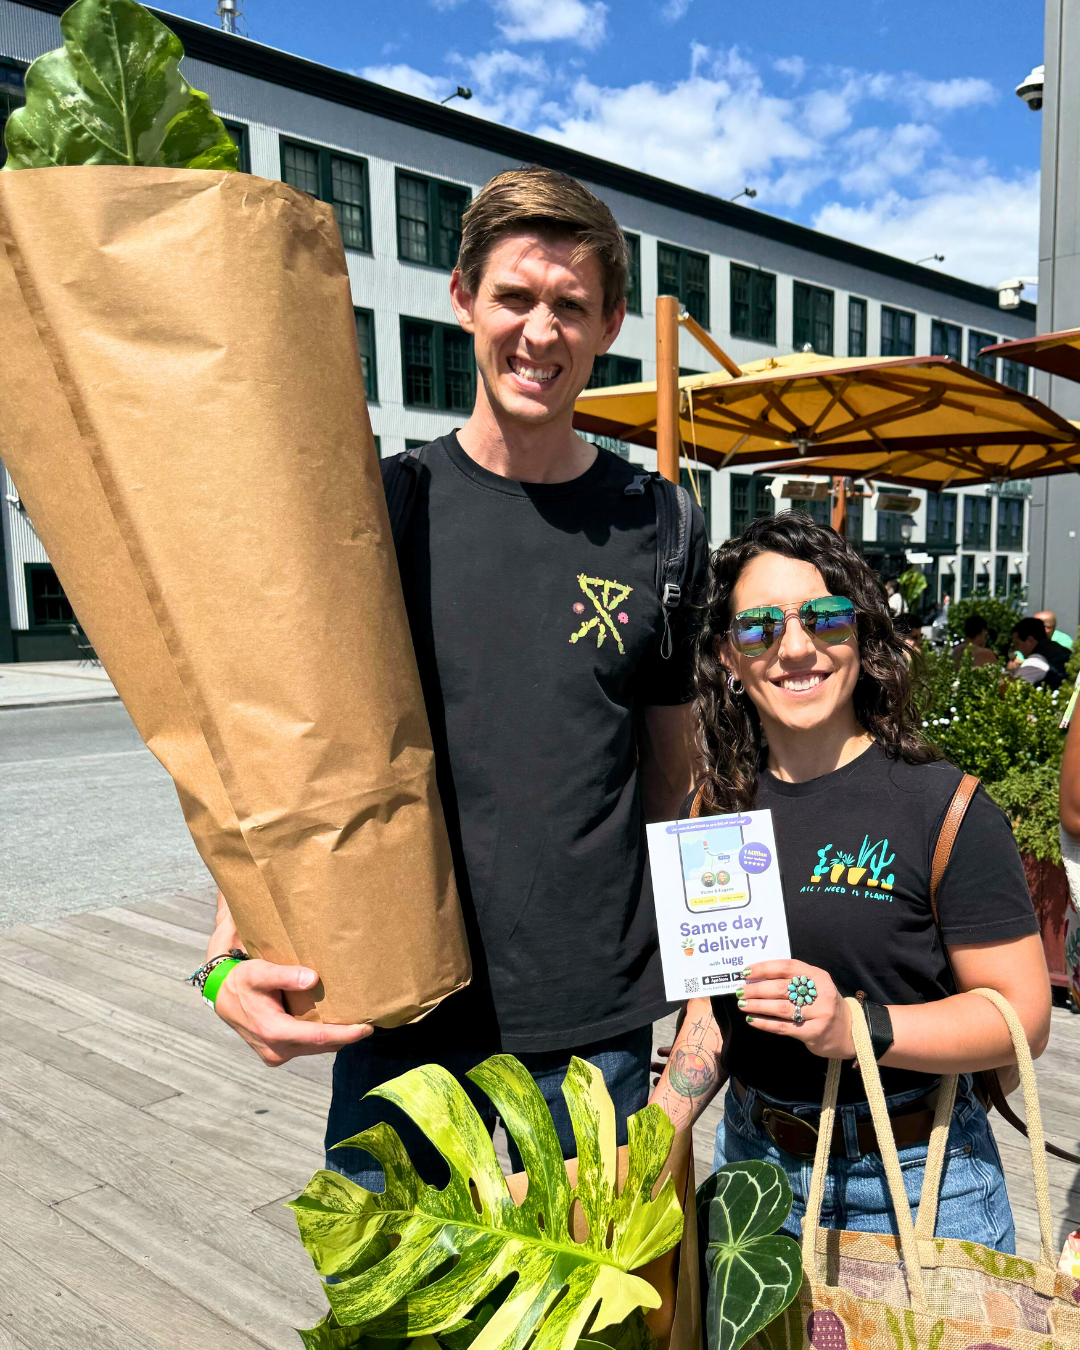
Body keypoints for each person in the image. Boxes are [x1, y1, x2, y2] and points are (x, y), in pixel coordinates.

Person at [201, 166, 708, 1187]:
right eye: (516, 296)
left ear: (609, 323)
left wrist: (705, 1008)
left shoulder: (661, 524)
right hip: (399, 1016)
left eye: (571, 305)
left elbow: (677, 780)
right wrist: (222, 955)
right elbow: (287, 754)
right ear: (464, 298)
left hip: (591, 1041)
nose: (541, 331)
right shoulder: (379, 510)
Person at [651, 512, 1050, 1251]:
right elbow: (716, 1005)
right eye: (759, 627)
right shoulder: (714, 809)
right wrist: (661, 1130)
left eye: (826, 619)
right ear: (728, 659)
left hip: (919, 1174)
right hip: (754, 1168)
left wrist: (857, 1027)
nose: (796, 647)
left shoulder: (945, 807)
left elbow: (1022, 1019)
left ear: (862, 637)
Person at [1011, 617, 1067, 689]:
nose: (1017, 649)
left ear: (1030, 641)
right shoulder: (1056, 650)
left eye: (1017, 644)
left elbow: (1013, 688)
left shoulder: (1036, 660)